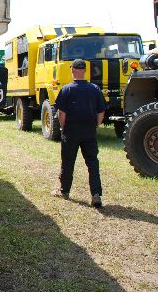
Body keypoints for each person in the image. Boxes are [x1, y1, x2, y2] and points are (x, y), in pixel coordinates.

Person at [52, 59, 107, 208]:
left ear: (72, 70)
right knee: (92, 163)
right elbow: (101, 111)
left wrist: (64, 128)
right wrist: (96, 125)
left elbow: (61, 113)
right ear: (84, 70)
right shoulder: (95, 89)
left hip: (71, 131)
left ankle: (64, 191)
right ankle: (96, 194)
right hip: (89, 131)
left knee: (68, 162)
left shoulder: (67, 89)